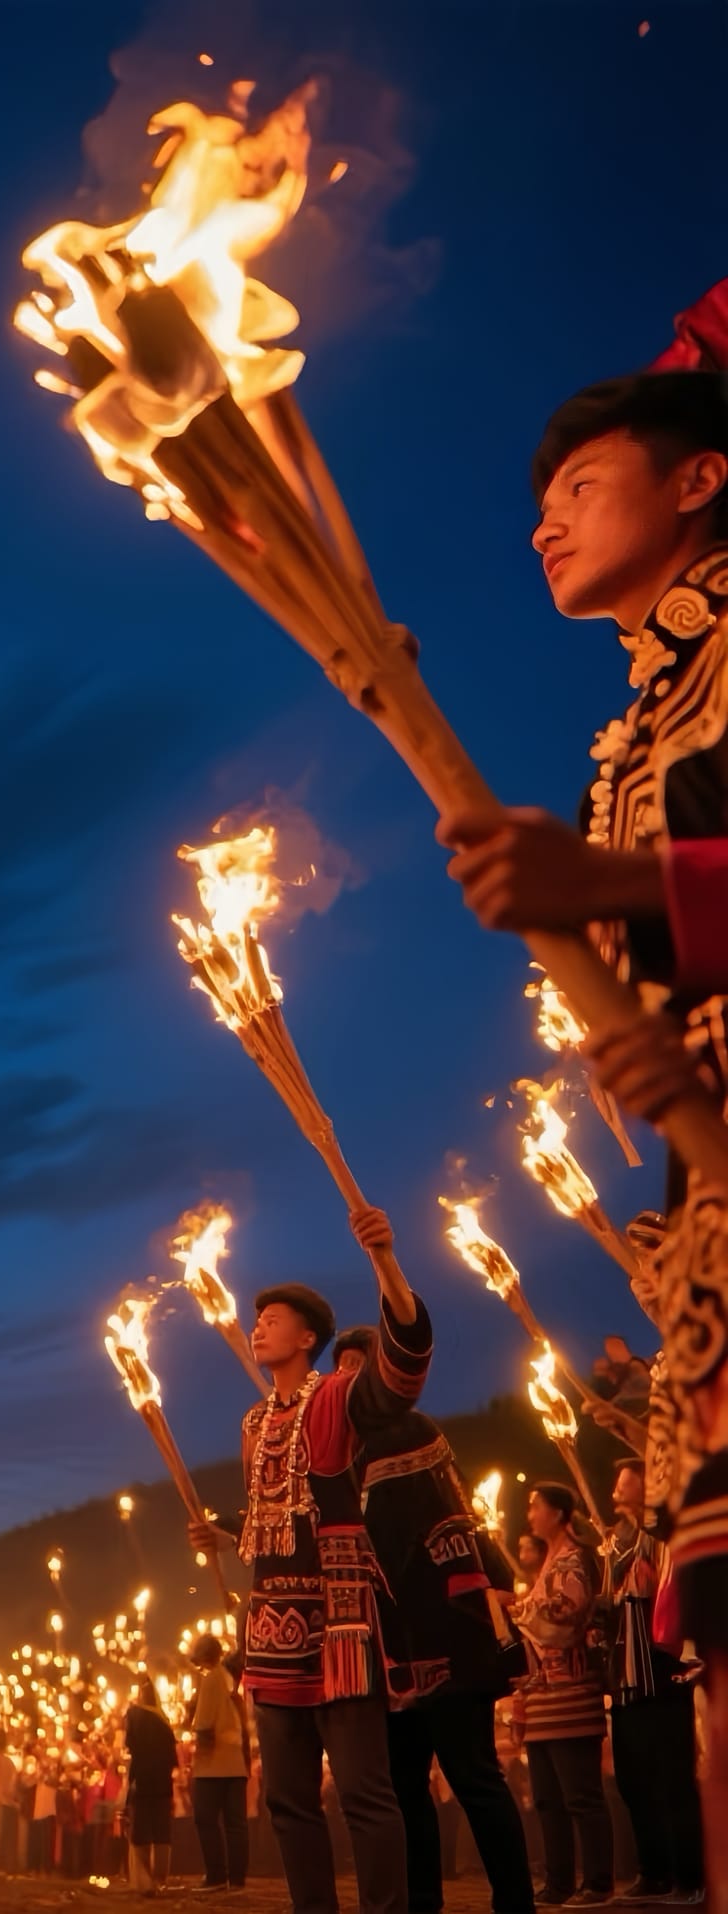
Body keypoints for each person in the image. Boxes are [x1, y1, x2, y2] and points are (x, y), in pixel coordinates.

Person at [435, 368, 728, 1902]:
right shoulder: (633, 726)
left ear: (699, 479)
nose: (542, 521)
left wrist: (619, 894)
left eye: (580, 484)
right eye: (535, 504)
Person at [189, 1204, 431, 1914]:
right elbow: (275, 1526)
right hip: (270, 1630)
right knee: (289, 1799)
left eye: (275, 1317)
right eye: (256, 1317)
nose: (259, 1324)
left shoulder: (339, 1399)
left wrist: (386, 1261)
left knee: (363, 1792)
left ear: (310, 1337)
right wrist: (229, 1536)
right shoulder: (252, 1423)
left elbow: (405, 1369)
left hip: (339, 1625)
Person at [331, 1326, 534, 1914]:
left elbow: (445, 1532)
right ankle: (423, 1902)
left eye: (356, 1368)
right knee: (404, 1787)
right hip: (387, 1647)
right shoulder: (342, 1454)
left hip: (446, 1634)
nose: (346, 1382)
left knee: (473, 1777)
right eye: (338, 1372)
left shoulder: (412, 1434)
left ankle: (515, 1903)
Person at [505, 1483, 614, 1907]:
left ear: (558, 1513)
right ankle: (559, 1881)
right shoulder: (549, 1562)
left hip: (571, 1691)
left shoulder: (572, 1559)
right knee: (548, 1799)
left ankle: (599, 1882)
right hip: (544, 1697)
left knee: (581, 1795)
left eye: (536, 1506)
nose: (530, 1514)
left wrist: (524, 1611)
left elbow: (568, 1613)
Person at [606, 1458, 704, 1905]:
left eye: (623, 1484)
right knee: (634, 1782)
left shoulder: (665, 1539)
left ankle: (690, 1877)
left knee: (673, 1782)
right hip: (627, 1683)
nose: (613, 1493)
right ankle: (653, 1872)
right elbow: (608, 1606)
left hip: (663, 1676)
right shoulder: (616, 1542)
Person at [187, 1633, 249, 1892]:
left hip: (213, 1764)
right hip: (235, 1762)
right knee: (236, 1823)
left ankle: (215, 1874)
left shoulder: (211, 1679)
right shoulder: (229, 1678)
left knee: (205, 1818)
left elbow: (203, 1724)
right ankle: (236, 1878)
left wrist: (197, 1758)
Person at [123, 1683, 177, 1893]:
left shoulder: (134, 1716)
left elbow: (131, 1746)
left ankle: (143, 1879)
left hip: (142, 1781)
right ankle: (160, 1878)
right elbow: (172, 1756)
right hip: (163, 1782)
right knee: (161, 1830)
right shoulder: (164, 1721)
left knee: (141, 1830)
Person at [0, 1729, 21, 1870]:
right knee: (6, 1836)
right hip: (8, 1802)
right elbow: (13, 1786)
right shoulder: (10, 1762)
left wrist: (0, 1795)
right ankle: (6, 1865)